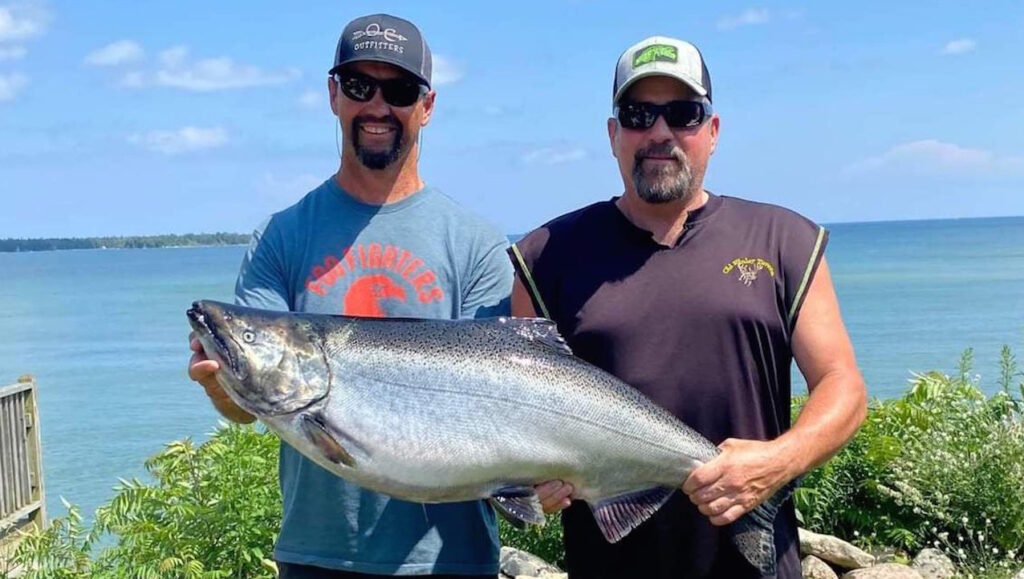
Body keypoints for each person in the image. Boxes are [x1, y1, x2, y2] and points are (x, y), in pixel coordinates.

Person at [513, 36, 868, 578]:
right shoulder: (544, 257)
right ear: (613, 135)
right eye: (638, 115)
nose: (660, 133)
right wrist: (529, 478)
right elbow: (517, 412)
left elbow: (843, 385)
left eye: (683, 114)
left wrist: (778, 462)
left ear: (713, 131)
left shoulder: (784, 240)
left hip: (756, 566)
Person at [187, 14, 515, 578]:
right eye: (361, 86)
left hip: (450, 561)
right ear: (334, 95)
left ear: (427, 105)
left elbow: (510, 398)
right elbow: (246, 407)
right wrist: (221, 381)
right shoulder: (283, 236)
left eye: (400, 90)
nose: (378, 107)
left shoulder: (477, 245)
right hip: (317, 556)